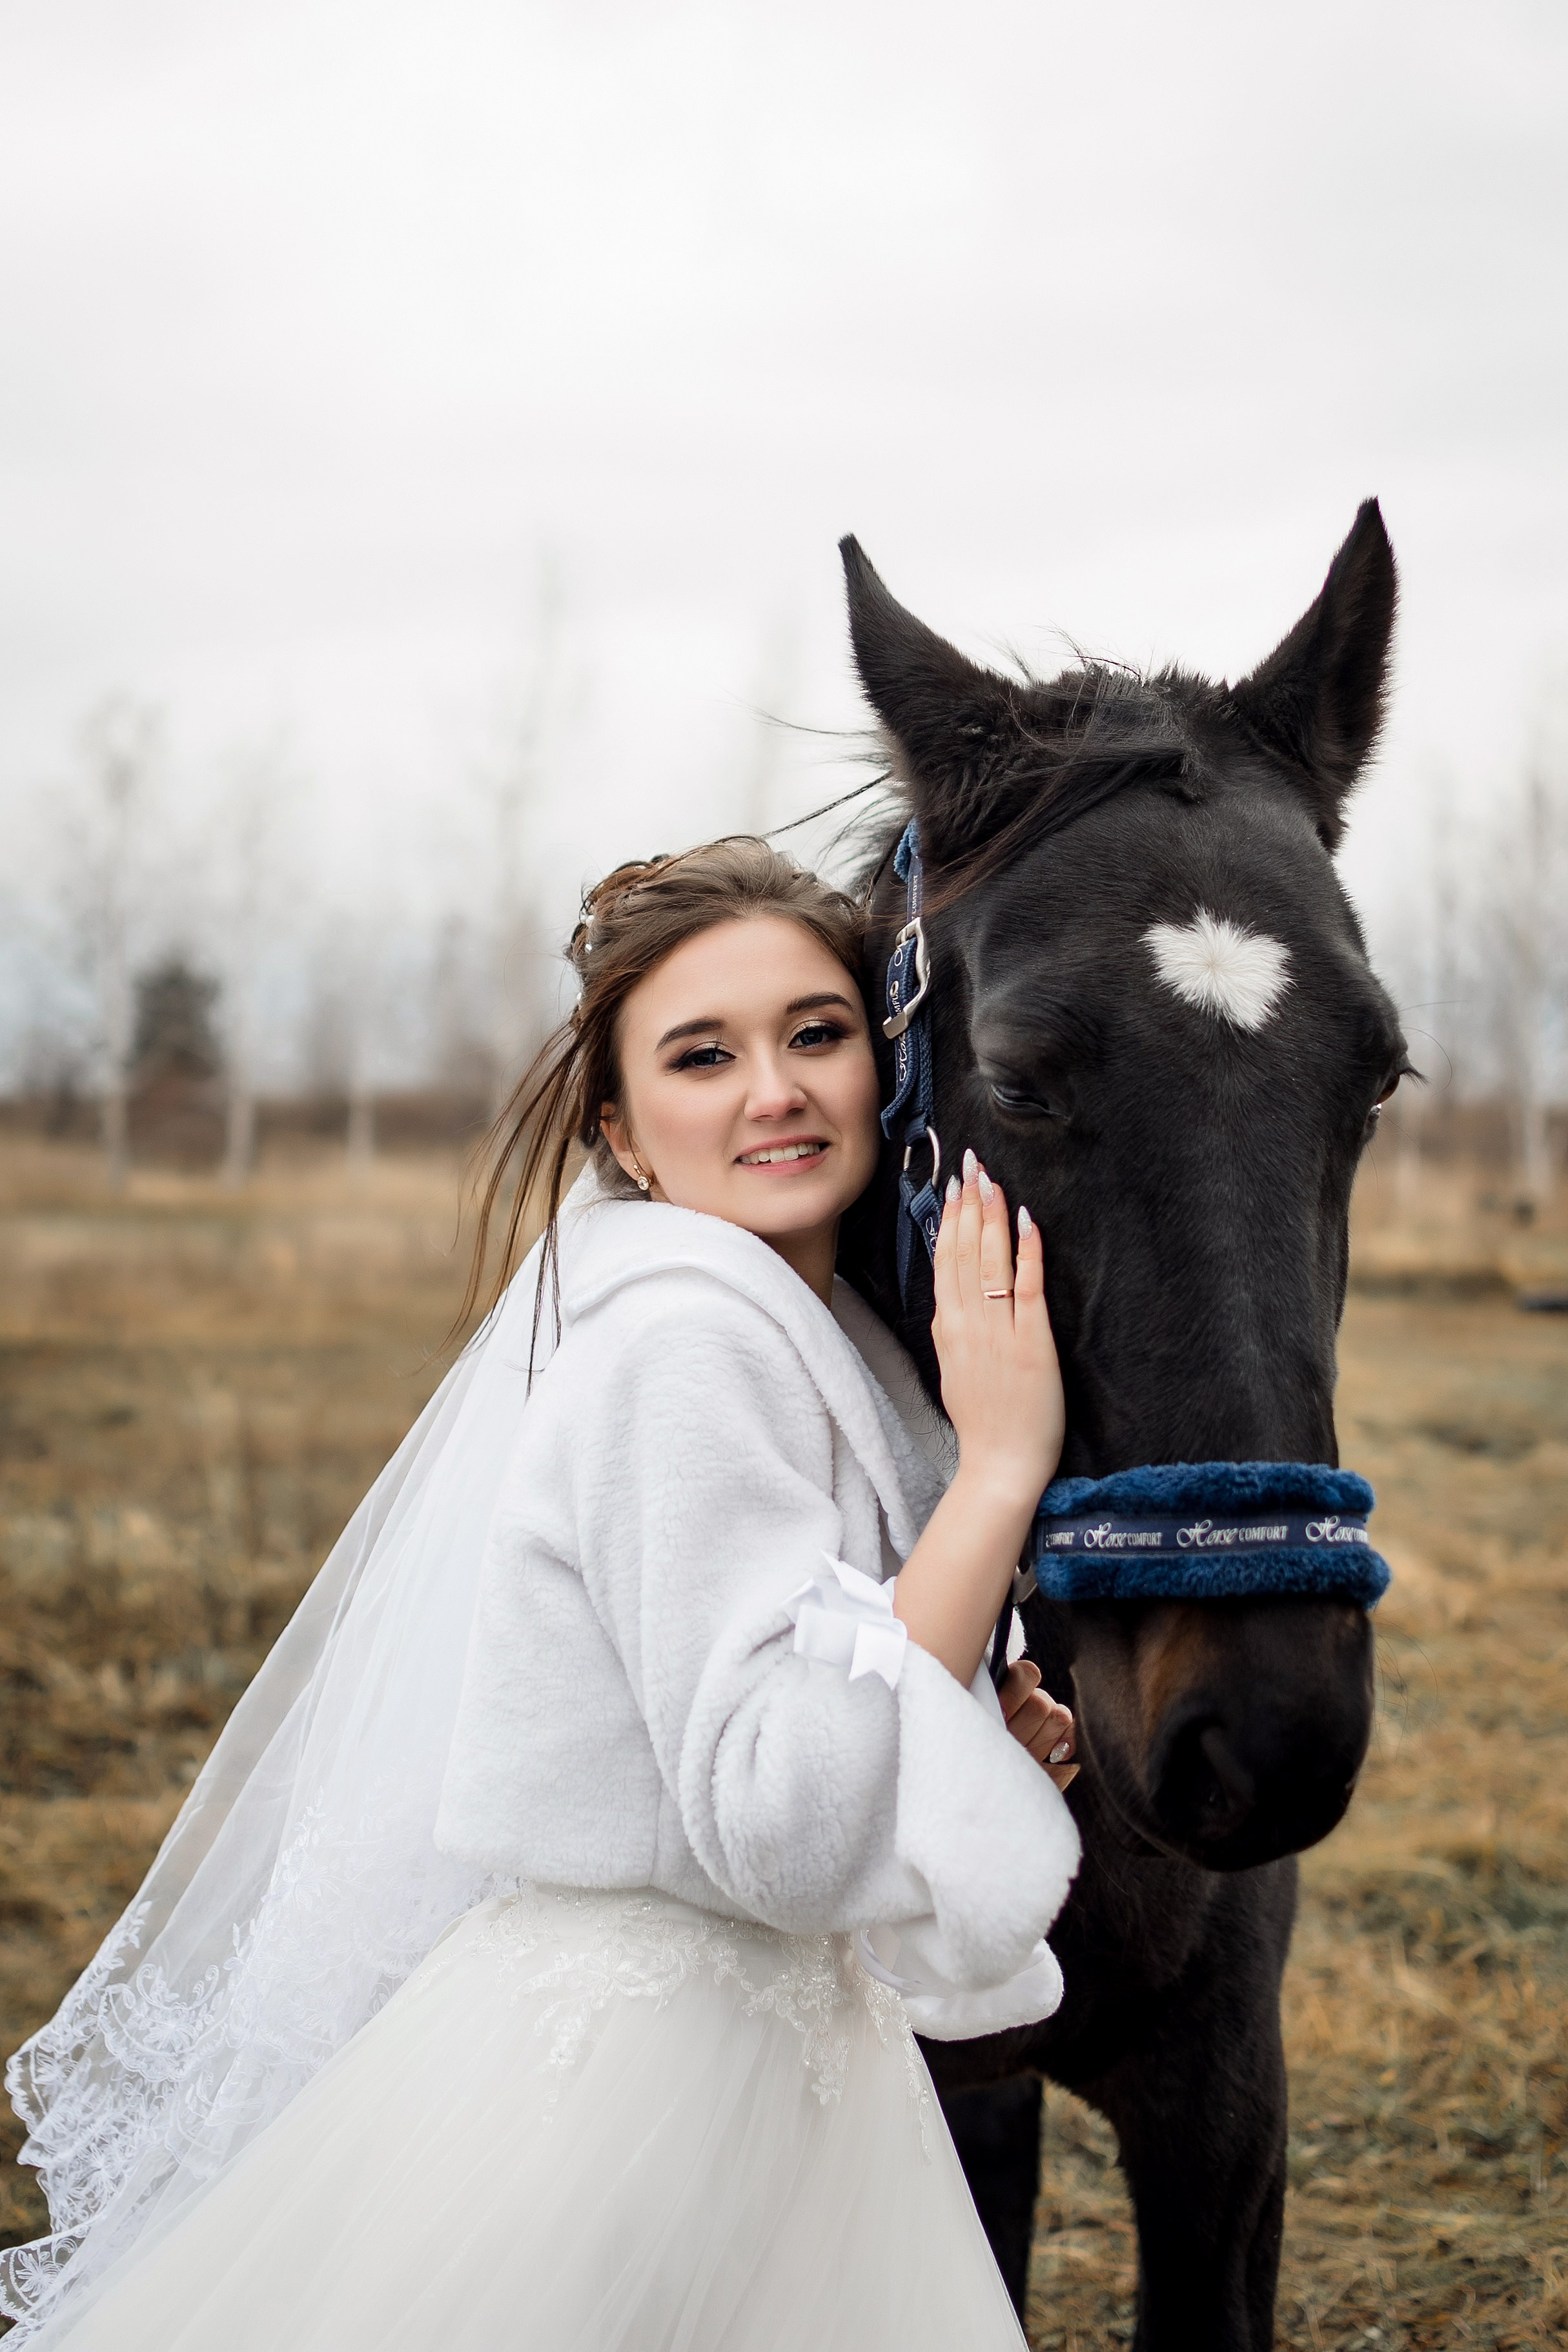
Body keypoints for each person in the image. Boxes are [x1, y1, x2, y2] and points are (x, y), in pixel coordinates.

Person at [2, 837, 1081, 2352]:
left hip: (766, 2067)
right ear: (623, 1133)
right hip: (637, 2097)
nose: (775, 1089)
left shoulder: (806, 1339)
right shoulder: (684, 1349)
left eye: (816, 1033)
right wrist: (1001, 1470)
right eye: (703, 1055)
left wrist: (954, 1730)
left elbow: (776, 1719)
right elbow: (774, 1822)